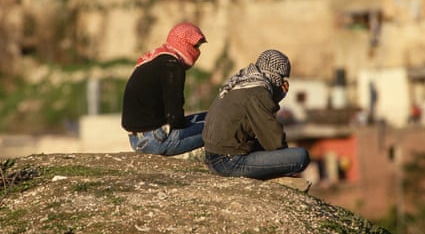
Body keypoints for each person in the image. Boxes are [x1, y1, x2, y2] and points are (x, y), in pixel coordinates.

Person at [203, 49, 310, 180]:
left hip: (212, 156)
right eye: (282, 78)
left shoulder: (242, 81)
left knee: (262, 145)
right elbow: (274, 142)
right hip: (227, 162)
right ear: (275, 75)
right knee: (300, 156)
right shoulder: (258, 93)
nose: (282, 83)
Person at [121, 22, 207, 156]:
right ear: (184, 44)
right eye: (195, 46)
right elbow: (174, 117)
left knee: (209, 116)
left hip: (137, 139)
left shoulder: (156, 59)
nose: (197, 51)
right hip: (154, 140)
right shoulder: (172, 67)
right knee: (221, 128)